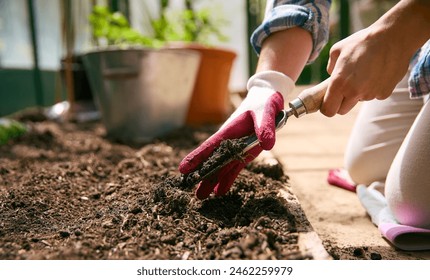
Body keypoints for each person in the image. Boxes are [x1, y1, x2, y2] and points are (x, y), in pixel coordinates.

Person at [179, 0, 430, 249]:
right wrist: (267, 85)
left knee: (413, 206)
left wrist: (400, 28)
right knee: (365, 165)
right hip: (421, 48)